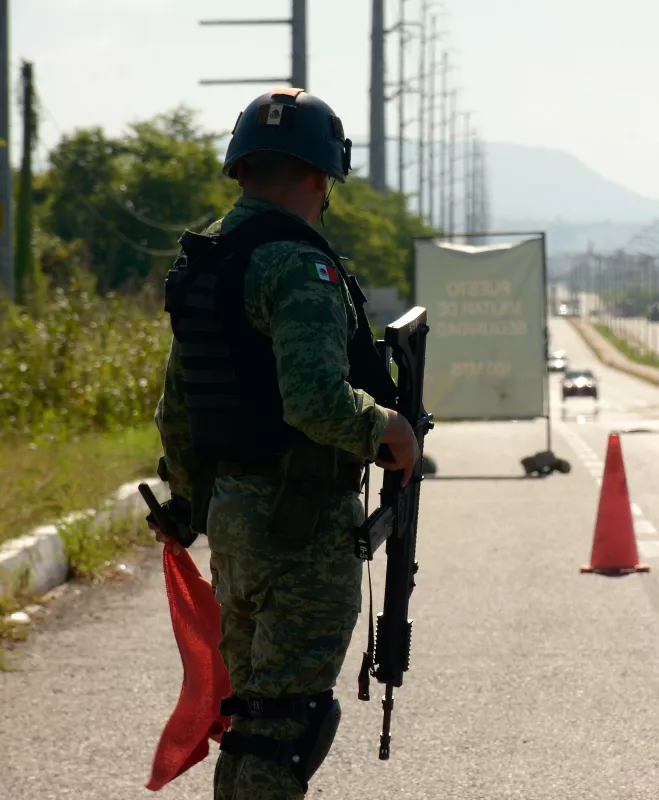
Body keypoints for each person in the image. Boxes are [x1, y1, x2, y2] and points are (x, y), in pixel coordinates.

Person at [149, 87, 419, 799]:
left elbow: (176, 408)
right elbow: (315, 402)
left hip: (236, 523)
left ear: (240, 169)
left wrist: (189, 498)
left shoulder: (207, 259)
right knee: (287, 727)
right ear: (320, 176)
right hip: (298, 528)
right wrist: (387, 428)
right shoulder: (297, 266)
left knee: (254, 724)